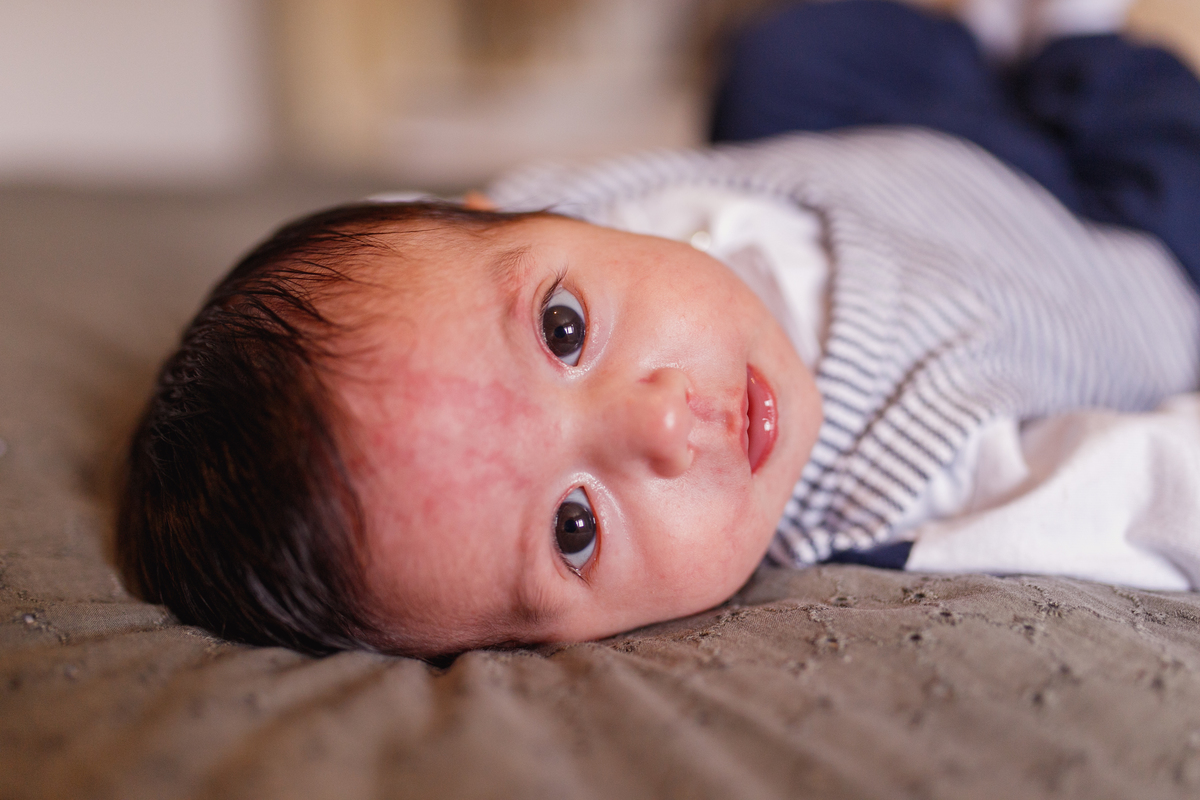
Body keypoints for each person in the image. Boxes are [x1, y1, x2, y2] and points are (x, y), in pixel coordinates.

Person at [117, 0, 1200, 658]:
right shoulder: (896, 493)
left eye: (562, 328)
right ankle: (1075, 47)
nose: (669, 423)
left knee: (782, 61)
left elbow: (423, 251)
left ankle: (992, 60)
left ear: (507, 211)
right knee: (1161, 142)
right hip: (1111, 241)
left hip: (911, 158)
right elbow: (1153, 492)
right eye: (576, 528)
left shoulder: (559, 212)